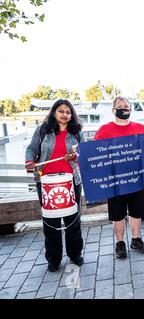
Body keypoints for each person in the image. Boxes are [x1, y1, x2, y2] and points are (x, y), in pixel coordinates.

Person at [25, 99, 85, 272]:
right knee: (50, 222)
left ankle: (75, 255)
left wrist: (74, 156)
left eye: (68, 112)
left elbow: (84, 152)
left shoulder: (77, 131)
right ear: (54, 112)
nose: (65, 114)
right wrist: (29, 161)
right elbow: (31, 149)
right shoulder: (42, 130)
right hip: (46, 182)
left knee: (73, 221)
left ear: (71, 114)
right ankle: (53, 258)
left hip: (71, 181)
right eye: (61, 111)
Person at [94, 96, 144, 258]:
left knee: (136, 212)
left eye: (126, 106)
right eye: (120, 106)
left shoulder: (141, 128)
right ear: (113, 110)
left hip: (136, 179)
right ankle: (120, 243)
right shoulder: (104, 130)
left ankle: (136, 239)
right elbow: (94, 154)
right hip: (115, 181)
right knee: (118, 214)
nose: (124, 108)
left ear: (131, 109)